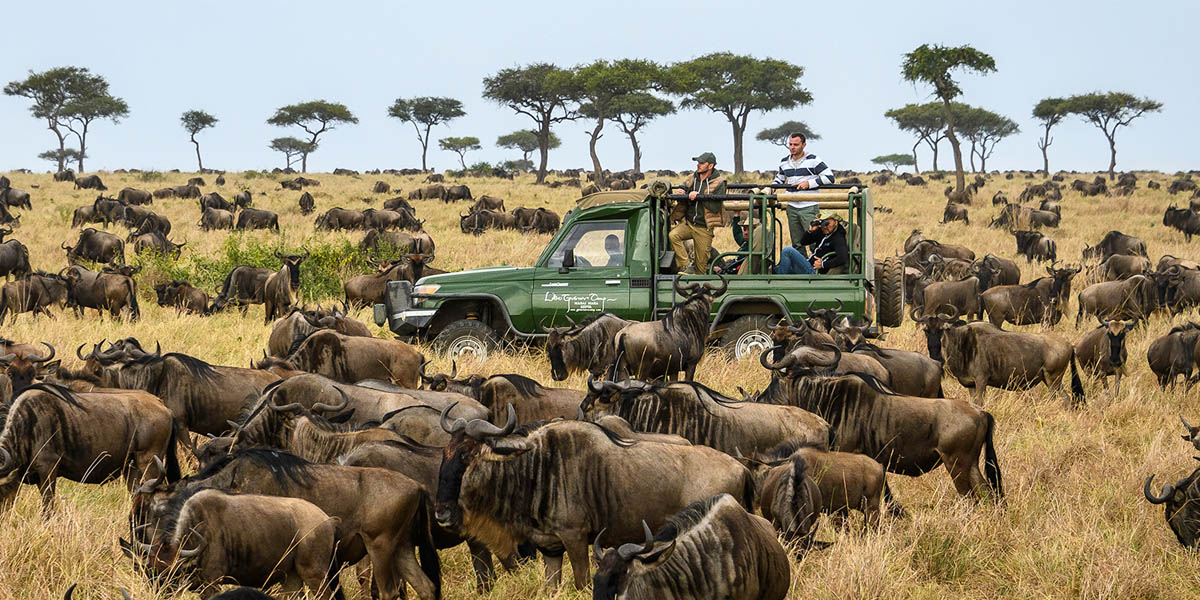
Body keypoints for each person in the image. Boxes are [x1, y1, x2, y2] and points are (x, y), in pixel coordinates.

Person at [773, 132, 834, 250]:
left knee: (814, 242)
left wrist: (808, 184)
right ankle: (800, 268)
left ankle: (816, 268)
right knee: (797, 243)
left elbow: (830, 178)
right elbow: (779, 179)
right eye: (790, 144)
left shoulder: (814, 160)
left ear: (804, 145)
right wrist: (770, 188)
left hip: (809, 206)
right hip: (791, 206)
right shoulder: (784, 161)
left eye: (796, 144)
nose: (792, 147)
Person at [668, 152, 727, 273]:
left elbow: (715, 207)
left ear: (710, 166)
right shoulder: (692, 178)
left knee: (701, 267)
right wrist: (681, 192)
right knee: (673, 235)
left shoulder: (720, 182)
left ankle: (698, 285)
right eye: (698, 162)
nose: (698, 165)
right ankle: (686, 266)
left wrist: (699, 196)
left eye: (701, 163)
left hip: (704, 228)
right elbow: (684, 187)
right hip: (689, 223)